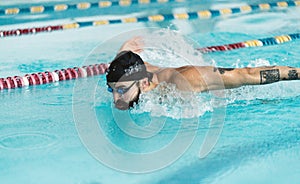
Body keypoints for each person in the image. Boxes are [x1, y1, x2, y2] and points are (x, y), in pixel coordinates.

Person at [106, 37, 299, 110]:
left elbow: (246, 74)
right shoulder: (125, 72)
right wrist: (126, 47)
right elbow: (124, 56)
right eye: (112, 90)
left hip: (217, 90)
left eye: (121, 91)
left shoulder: (186, 81)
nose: (115, 99)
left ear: (144, 84)